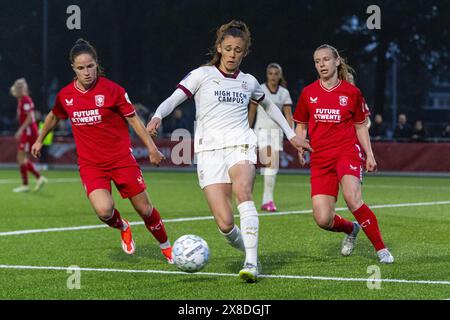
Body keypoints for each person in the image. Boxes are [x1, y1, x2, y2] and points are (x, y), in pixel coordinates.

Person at [147, 20, 312, 282]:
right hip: (208, 151)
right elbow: (174, 98)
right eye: (228, 48)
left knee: (243, 192)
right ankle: (249, 246)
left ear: (245, 52)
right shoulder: (201, 75)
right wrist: (157, 116)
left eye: (238, 49)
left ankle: (251, 263)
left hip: (241, 143)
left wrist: (292, 135)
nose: (233, 54)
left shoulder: (249, 82)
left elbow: (270, 107)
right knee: (225, 224)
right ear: (219, 48)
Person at [31, 39, 173, 263]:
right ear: (73, 69)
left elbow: (134, 120)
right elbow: (53, 116)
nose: (86, 72)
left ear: (97, 64)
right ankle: (123, 226)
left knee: (145, 210)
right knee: (104, 212)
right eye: (81, 68)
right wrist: (39, 139)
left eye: (90, 66)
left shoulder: (113, 90)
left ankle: (166, 247)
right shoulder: (66, 96)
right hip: (91, 164)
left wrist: (152, 148)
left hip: (121, 159)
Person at [293, 44, 394, 264]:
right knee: (322, 219)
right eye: (317, 61)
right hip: (320, 159)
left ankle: (381, 249)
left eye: (326, 59)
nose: (322, 64)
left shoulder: (352, 92)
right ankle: (351, 228)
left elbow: (360, 126)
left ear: (337, 61)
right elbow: (300, 124)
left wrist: (369, 154)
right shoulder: (308, 93)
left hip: (346, 152)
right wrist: (300, 142)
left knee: (352, 198)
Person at [248, 63, 294, 212]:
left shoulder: (284, 93)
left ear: (280, 75)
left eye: (276, 73)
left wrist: (291, 134)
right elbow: (252, 112)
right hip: (261, 131)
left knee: (272, 166)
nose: (273, 76)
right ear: (267, 75)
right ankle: (266, 201)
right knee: (269, 160)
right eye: (270, 73)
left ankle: (267, 200)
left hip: (277, 133)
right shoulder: (259, 89)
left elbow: (288, 115)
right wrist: (246, 130)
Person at [10, 78, 47, 192]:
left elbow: (30, 118)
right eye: (18, 87)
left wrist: (20, 130)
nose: (19, 89)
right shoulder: (22, 100)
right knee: (21, 158)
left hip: (29, 132)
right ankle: (37, 179)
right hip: (28, 131)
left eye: (21, 87)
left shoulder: (26, 100)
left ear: (24, 88)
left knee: (21, 157)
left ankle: (29, 183)